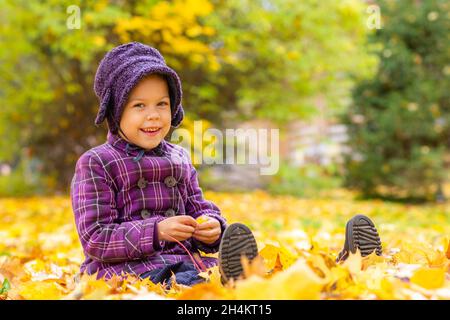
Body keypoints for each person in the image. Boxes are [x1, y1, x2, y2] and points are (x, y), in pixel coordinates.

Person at [70, 42, 382, 288]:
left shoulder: (178, 158)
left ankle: (343, 266)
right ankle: (239, 282)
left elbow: (198, 208)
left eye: (161, 104)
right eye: (139, 106)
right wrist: (157, 231)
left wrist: (212, 227)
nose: (153, 115)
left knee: (256, 269)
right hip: (130, 273)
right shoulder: (97, 163)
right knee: (199, 286)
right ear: (115, 111)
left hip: (187, 261)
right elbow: (96, 237)